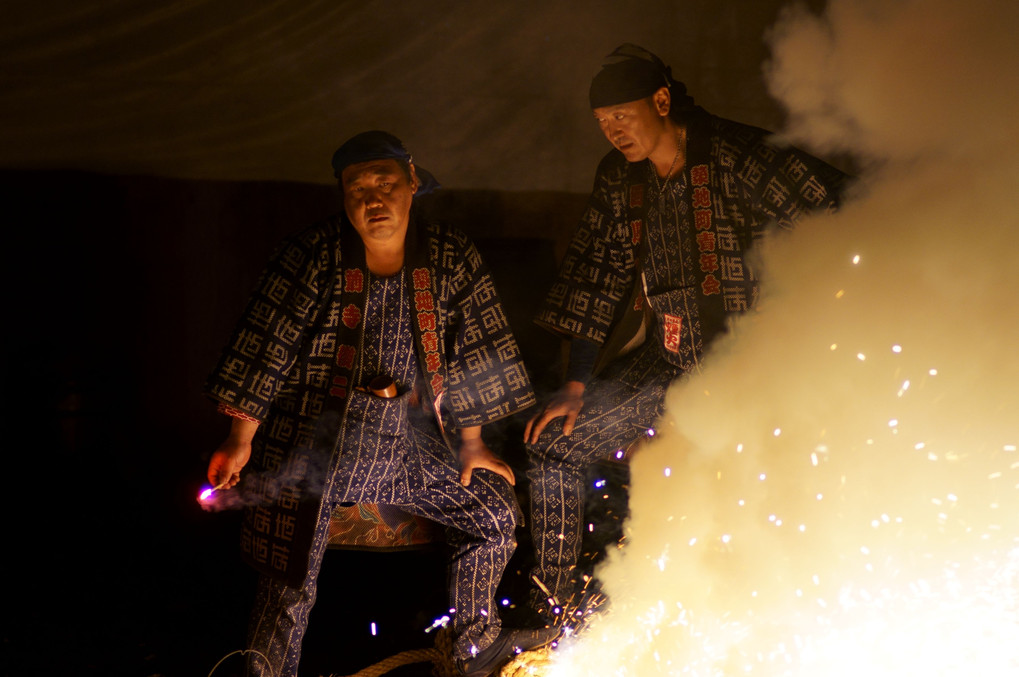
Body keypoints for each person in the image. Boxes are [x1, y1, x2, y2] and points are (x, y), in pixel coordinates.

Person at [204, 131, 556, 677]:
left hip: (411, 446)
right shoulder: (310, 256)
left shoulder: (449, 256)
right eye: (357, 187)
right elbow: (268, 344)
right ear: (343, 195)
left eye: (385, 183)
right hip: (317, 446)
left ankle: (472, 646)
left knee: (492, 512)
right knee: (292, 571)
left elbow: (477, 349)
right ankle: (266, 669)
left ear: (412, 183)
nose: (373, 199)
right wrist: (239, 439)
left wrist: (471, 443)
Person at [523, 44, 849, 624]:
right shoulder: (620, 180)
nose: (613, 132)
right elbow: (597, 275)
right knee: (554, 445)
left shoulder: (737, 154)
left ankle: (765, 612)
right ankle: (555, 606)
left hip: (748, 368)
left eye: (622, 116)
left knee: (755, 486)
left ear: (662, 100)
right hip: (668, 358)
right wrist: (576, 383)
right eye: (602, 123)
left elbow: (840, 206)